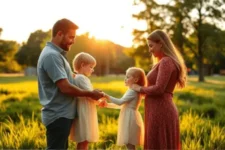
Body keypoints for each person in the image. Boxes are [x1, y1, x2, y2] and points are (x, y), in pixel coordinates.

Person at [37, 18, 104, 149]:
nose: (73, 41)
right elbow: (65, 88)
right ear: (60, 34)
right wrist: (90, 93)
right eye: (71, 37)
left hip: (62, 114)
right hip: (58, 114)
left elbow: (68, 79)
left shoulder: (57, 55)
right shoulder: (52, 56)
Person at [131, 29, 186, 149]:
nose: (150, 50)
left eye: (151, 46)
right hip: (157, 109)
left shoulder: (166, 61)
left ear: (161, 43)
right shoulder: (164, 61)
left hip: (161, 110)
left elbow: (159, 89)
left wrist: (139, 88)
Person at [100, 67, 146, 150]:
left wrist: (106, 96)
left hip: (130, 118)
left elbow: (120, 102)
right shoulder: (132, 90)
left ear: (136, 80)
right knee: (129, 144)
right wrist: (107, 105)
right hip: (128, 116)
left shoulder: (133, 91)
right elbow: (123, 105)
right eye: (126, 76)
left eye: (128, 77)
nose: (125, 79)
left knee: (129, 143)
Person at [69, 52, 104, 150]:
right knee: (84, 139)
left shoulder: (78, 77)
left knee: (83, 140)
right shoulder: (81, 78)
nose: (92, 70)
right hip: (85, 111)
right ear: (83, 65)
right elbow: (91, 95)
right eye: (91, 67)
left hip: (84, 109)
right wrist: (100, 100)